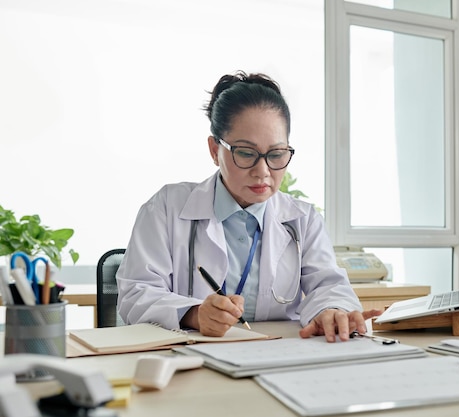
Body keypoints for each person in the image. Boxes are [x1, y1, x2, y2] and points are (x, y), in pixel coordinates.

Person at [116, 70, 382, 342]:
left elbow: (329, 286)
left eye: (276, 154)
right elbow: (135, 293)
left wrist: (332, 310)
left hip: (279, 357)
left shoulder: (303, 219)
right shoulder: (166, 208)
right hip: (188, 359)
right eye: (245, 153)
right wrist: (193, 314)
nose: (263, 171)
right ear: (213, 150)